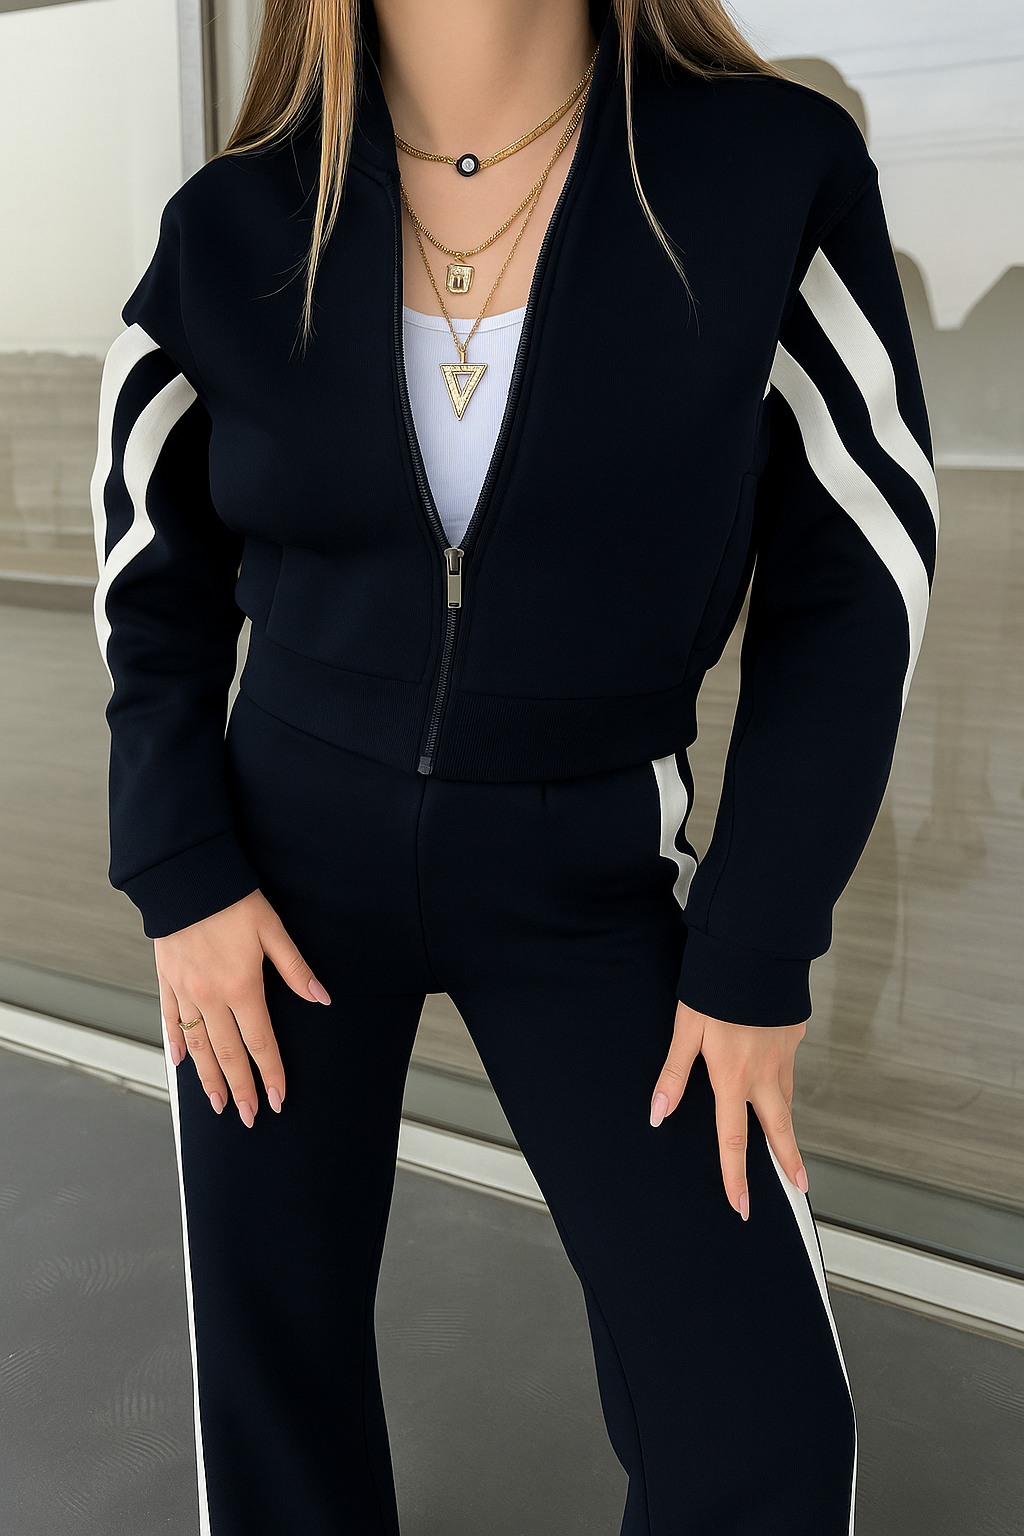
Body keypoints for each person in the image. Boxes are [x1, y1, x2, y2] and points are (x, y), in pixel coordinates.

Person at [90, 0, 938, 1530]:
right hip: (274, 874)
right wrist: (180, 868)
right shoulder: (232, 223)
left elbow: (856, 578)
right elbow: (152, 568)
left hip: (594, 863)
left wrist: (756, 948)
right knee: (274, 1397)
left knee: (756, 1425)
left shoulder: (770, 173)